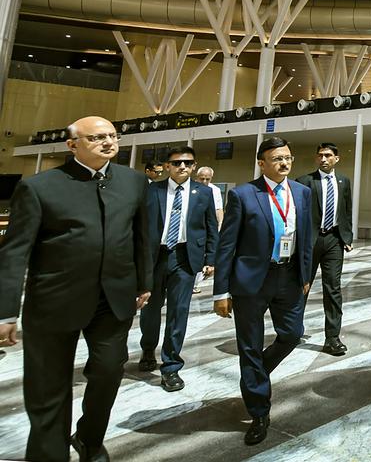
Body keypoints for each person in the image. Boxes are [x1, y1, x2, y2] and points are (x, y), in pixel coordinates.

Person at [0, 116, 151, 462]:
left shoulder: (134, 182)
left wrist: (145, 282)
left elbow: (144, 235)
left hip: (112, 299)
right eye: (97, 137)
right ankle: (49, 453)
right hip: (54, 302)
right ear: (72, 146)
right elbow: (14, 252)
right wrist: (6, 310)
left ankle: (88, 438)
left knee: (110, 369)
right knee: (48, 386)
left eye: (112, 136)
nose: (109, 142)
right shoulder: (39, 187)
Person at [213, 137, 313, 446]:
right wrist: (221, 292)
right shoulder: (244, 194)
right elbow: (227, 244)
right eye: (277, 158)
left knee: (293, 334)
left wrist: (306, 274)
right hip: (251, 281)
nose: (284, 163)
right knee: (250, 345)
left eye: (287, 157)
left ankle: (254, 375)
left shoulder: (302, 193)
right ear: (262, 163)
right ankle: (259, 411)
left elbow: (306, 235)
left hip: (289, 276)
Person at [137, 145, 218, 392]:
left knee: (178, 312)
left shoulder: (203, 193)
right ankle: (148, 346)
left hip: (185, 258)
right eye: (177, 163)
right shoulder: (152, 191)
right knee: (150, 310)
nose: (183, 166)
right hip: (155, 257)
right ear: (167, 166)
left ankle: (171, 366)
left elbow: (210, 227)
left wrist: (211, 259)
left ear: (193, 166)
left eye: (188, 163)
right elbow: (139, 227)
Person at [296, 142, 354, 356]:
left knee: (333, 288)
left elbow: (346, 210)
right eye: (320, 155)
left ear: (336, 158)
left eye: (328, 155)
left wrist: (347, 236)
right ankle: (293, 331)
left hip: (333, 241)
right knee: (301, 286)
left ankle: (332, 338)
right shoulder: (304, 182)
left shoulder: (343, 181)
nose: (323, 159)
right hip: (308, 242)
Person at [193, 166, 224, 294]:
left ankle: (195, 283)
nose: (205, 181)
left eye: (207, 179)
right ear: (197, 177)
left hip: (208, 226)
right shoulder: (191, 188)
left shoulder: (215, 190)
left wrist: (220, 225)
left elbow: (218, 209)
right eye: (202, 179)